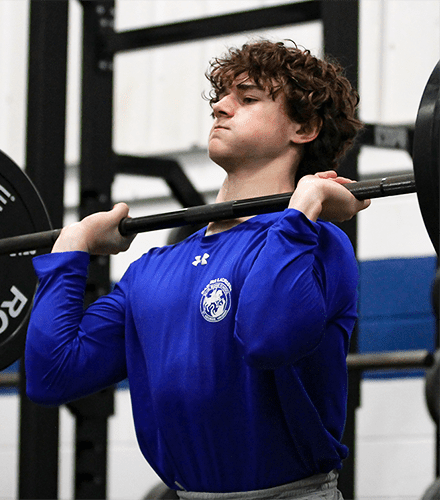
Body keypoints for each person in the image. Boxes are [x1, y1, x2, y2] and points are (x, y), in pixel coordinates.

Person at [25, 39, 370, 499]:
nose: (222, 108)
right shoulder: (152, 269)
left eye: (247, 99)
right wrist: (73, 248)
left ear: (304, 127)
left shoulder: (319, 246)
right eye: (221, 97)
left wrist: (304, 205)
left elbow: (269, 338)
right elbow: (52, 375)